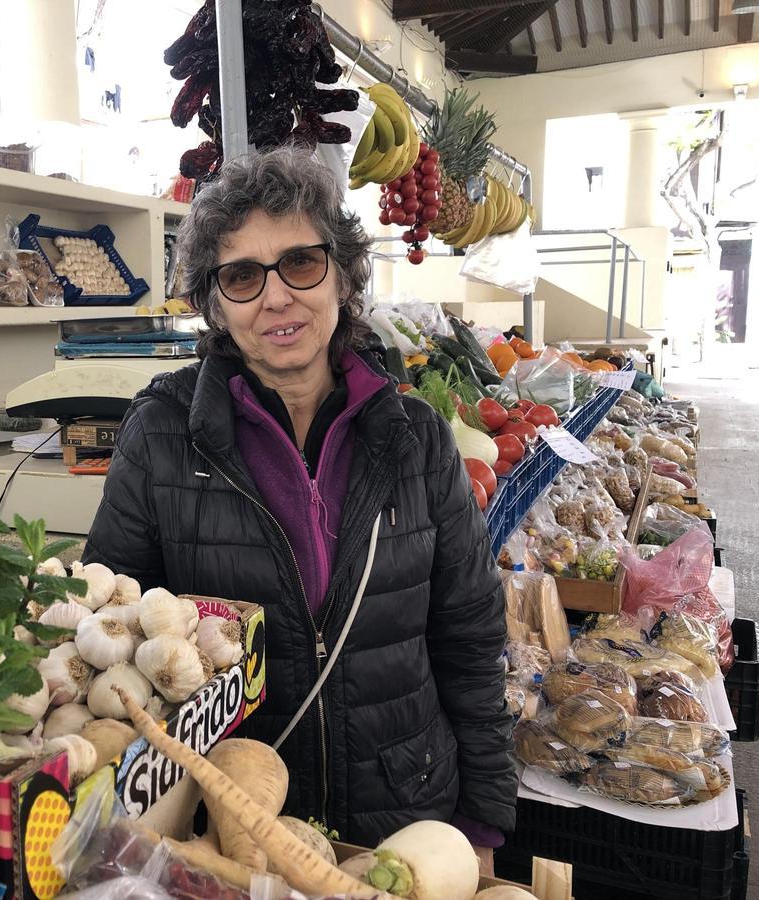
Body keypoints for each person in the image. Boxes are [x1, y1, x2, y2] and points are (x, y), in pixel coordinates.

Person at [82, 147, 516, 859]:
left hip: (405, 821)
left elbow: (471, 644)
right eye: (243, 276)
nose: (277, 297)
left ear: (341, 275)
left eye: (301, 264)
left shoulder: (418, 442)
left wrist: (484, 824)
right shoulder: (161, 436)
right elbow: (116, 634)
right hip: (230, 825)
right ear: (215, 302)